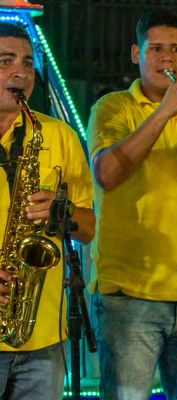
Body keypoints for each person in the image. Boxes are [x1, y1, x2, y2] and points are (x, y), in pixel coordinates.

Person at [86, 9, 177, 399]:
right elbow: (107, 173)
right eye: (155, 48)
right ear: (135, 54)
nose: (166, 58)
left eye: (175, 49)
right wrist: (166, 111)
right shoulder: (112, 108)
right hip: (129, 298)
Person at [0, 22, 95, 400]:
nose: (20, 73)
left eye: (27, 62)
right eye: (5, 61)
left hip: (43, 338)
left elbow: (87, 228)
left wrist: (62, 211)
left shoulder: (59, 136)